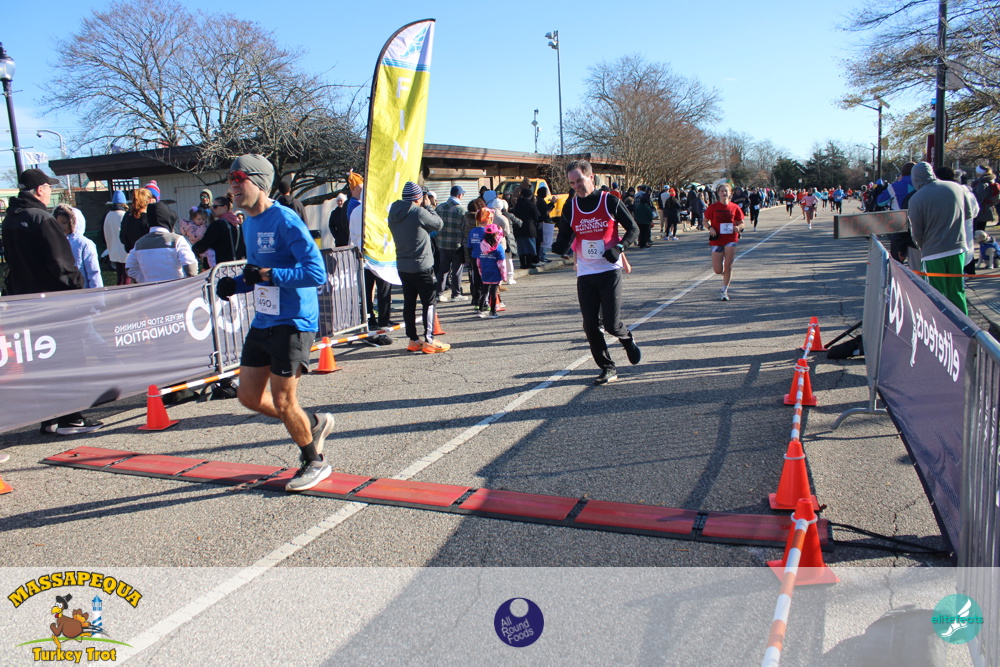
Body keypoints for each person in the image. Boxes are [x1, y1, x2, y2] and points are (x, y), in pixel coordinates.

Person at [214, 154, 334, 491]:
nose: (232, 186)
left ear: (259, 183)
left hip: (294, 320)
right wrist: (236, 284)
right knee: (249, 397)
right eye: (230, 180)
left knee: (283, 400)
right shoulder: (249, 222)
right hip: (265, 319)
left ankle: (315, 461)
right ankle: (312, 423)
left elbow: (316, 272)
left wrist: (270, 274)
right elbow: (256, 273)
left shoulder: (285, 220)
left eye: (239, 179)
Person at [1, 168, 103, 435]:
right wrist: (78, 289)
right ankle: (71, 418)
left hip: (25, 302)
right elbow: (61, 264)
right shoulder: (42, 219)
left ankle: (49, 418)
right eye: (48, 187)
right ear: (39, 190)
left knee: (40, 361)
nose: (49, 192)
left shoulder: (10, 220)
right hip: (55, 303)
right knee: (68, 359)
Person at [552, 159, 642, 385]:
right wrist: (559, 246)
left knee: (611, 324)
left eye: (579, 181)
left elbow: (633, 229)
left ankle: (627, 339)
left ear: (591, 177)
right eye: (572, 183)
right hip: (585, 272)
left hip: (609, 270)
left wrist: (619, 248)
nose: (576, 186)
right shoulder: (570, 206)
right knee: (590, 325)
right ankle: (608, 368)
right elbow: (565, 236)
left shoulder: (609, 201)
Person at [388, 181, 450, 354]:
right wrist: (429, 207)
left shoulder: (393, 211)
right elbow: (438, 224)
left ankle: (413, 340)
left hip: (403, 264)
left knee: (409, 303)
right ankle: (429, 339)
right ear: (418, 198)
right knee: (429, 303)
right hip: (422, 264)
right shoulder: (418, 212)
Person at [908, 162, 974, 315]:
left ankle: (940, 325)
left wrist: (922, 246)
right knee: (957, 290)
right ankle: (963, 324)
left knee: (935, 294)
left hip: (933, 251)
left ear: (915, 178)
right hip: (957, 247)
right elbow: (968, 215)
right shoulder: (957, 188)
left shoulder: (916, 199)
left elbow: (916, 232)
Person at [125, 202, 199, 283]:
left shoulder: (139, 243)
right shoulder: (177, 240)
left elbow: (130, 268)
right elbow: (191, 268)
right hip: (176, 288)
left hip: (150, 289)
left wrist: (144, 280)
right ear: (167, 218)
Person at [704, 182, 746, 301]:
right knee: (718, 270)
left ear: (730, 193)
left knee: (729, 266)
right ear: (718, 193)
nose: (724, 193)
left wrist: (738, 228)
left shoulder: (735, 207)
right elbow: (705, 221)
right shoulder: (713, 207)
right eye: (722, 191)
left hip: (731, 239)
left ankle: (724, 291)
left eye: (726, 191)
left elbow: (742, 223)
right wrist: (710, 228)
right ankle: (723, 268)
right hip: (717, 238)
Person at [434, 185, 470, 302]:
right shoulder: (461, 210)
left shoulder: (439, 208)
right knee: (457, 270)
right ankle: (456, 294)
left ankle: (439, 293)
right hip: (457, 244)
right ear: (459, 195)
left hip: (442, 244)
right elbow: (465, 229)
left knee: (443, 269)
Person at [54, 205, 102, 289]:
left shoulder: (84, 243)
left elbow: (93, 272)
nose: (61, 226)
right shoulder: (54, 242)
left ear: (74, 223)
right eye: (58, 223)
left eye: (64, 222)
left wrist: (97, 293)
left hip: (82, 292)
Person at [192, 194, 246, 264]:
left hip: (221, 267)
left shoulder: (218, 225)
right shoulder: (237, 224)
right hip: (238, 265)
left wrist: (194, 248)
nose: (212, 209)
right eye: (212, 206)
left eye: (215, 207)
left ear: (224, 207)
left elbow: (204, 245)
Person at [476, 220, 507, 318]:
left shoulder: (481, 246)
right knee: (493, 292)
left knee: (484, 291)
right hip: (495, 272)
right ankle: (493, 312)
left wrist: (481, 272)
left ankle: (480, 310)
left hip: (485, 272)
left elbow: (478, 262)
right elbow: (502, 263)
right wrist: (504, 275)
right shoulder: (498, 247)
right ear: (496, 234)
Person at [103, 191, 129, 285]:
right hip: (125, 251)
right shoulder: (124, 215)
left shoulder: (108, 215)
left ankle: (119, 292)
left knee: (120, 276)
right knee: (127, 277)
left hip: (113, 249)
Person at [513, 187, 540, 269]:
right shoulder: (531, 205)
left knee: (521, 247)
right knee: (530, 246)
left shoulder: (517, 205)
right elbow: (537, 216)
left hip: (518, 228)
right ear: (530, 196)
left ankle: (522, 263)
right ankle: (529, 263)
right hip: (529, 228)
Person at [120, 188, 153, 254]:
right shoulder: (150, 219)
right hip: (149, 255)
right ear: (149, 201)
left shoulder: (128, 219)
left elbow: (123, 239)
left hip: (133, 255)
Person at [971, 165, 998, 233]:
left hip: (980, 210)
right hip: (985, 209)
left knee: (978, 232)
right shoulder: (989, 181)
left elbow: (979, 198)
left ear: (979, 172)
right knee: (981, 230)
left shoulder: (982, 183)